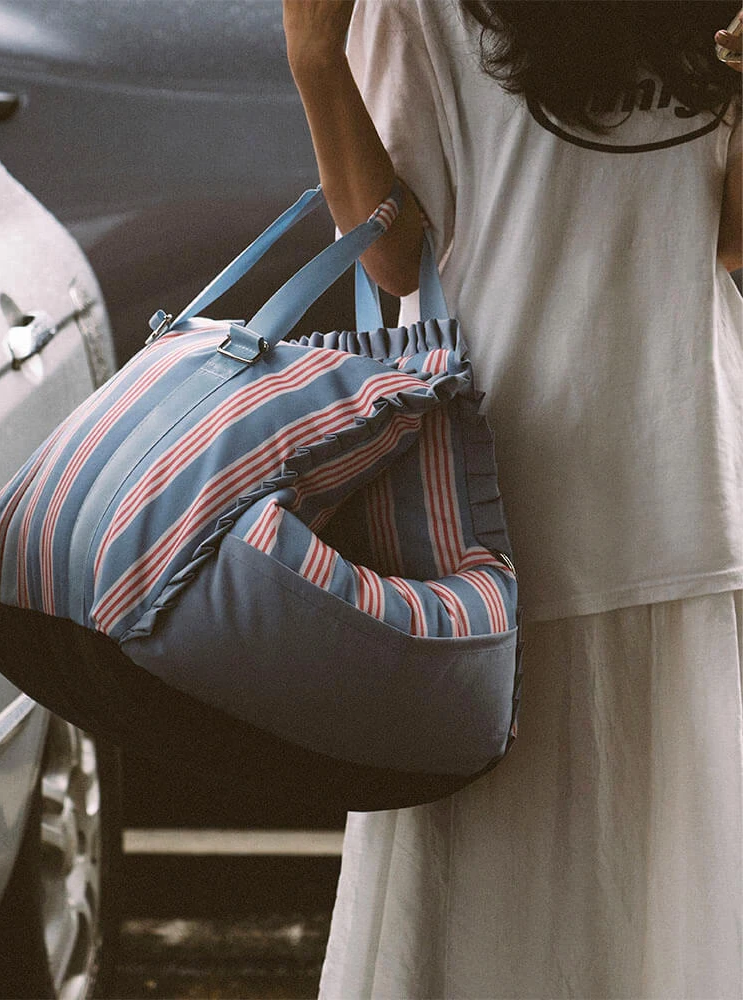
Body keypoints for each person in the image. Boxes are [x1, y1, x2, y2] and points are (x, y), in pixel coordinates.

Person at [283, 1, 743, 997]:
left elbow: (734, 240)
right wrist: (315, 58)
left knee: (678, 919)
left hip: (680, 492)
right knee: (482, 924)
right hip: (492, 519)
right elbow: (390, 254)